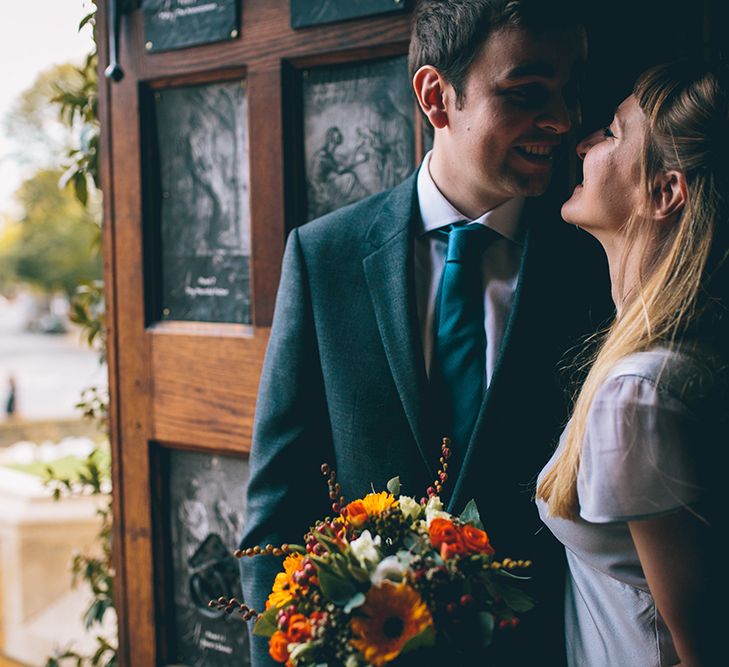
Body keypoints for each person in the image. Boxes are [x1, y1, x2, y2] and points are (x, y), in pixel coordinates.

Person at [240, 1, 610, 665]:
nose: (559, 120)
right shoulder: (324, 257)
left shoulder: (595, 263)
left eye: (566, 92)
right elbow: (277, 507)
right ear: (436, 96)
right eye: (526, 93)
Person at [537, 60, 729, 666]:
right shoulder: (660, 361)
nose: (583, 139)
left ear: (665, 191)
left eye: (613, 134)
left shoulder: (641, 394)